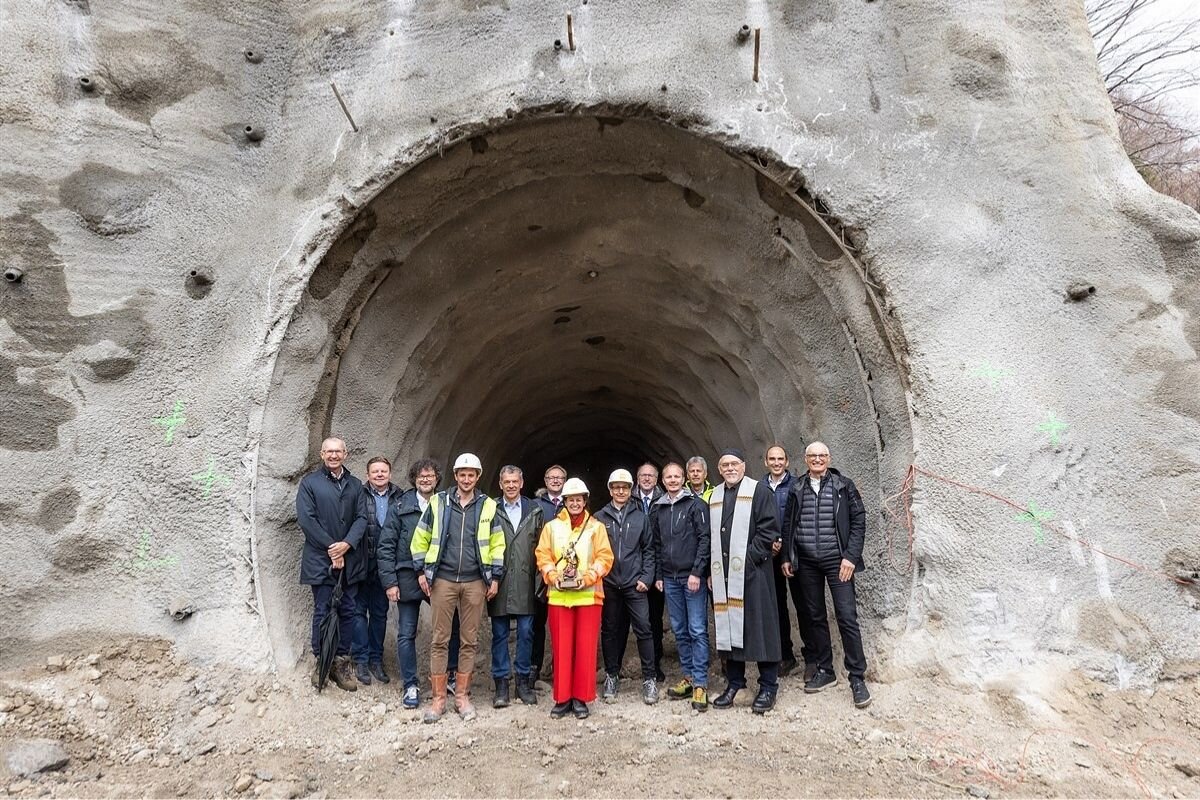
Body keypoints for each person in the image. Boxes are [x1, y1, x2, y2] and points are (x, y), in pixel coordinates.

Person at [410, 453, 506, 722]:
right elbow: (421, 536)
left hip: (476, 581)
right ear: (455, 476)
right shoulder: (438, 502)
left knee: (469, 640)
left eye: (471, 475)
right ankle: (439, 699)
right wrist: (421, 571)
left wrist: (495, 576)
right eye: (462, 474)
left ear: (478, 476)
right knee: (440, 639)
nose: (466, 479)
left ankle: (462, 696)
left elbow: (497, 543)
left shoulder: (487, 506)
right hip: (443, 579)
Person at [782, 442, 871, 708]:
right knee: (814, 617)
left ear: (829, 458)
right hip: (807, 563)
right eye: (812, 456)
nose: (817, 459)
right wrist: (787, 556)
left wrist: (850, 557)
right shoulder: (797, 488)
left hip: (838, 562)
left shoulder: (844, 486)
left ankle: (857, 677)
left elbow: (859, 520)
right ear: (806, 459)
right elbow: (789, 524)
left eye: (822, 455)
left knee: (846, 617)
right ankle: (825, 670)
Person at [708, 449, 783, 714]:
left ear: (744, 465)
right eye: (725, 465)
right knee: (730, 627)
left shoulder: (759, 491)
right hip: (724, 575)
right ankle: (735, 683)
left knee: (761, 627)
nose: (730, 468)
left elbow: (769, 528)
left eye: (734, 464)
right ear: (719, 469)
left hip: (755, 573)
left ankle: (768, 686)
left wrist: (749, 559)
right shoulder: (715, 496)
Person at [535, 477, 614, 720]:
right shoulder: (551, 527)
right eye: (571, 499)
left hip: (589, 597)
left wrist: (589, 577)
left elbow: (605, 558)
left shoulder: (596, 527)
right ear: (565, 501)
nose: (575, 503)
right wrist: (552, 575)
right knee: (562, 648)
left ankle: (581, 697)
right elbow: (543, 555)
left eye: (579, 499)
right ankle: (562, 698)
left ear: (585, 500)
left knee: (585, 648)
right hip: (559, 597)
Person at [296, 437, 367, 692]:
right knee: (322, 610)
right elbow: (307, 519)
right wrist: (332, 547)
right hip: (320, 559)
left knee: (348, 609)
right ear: (322, 454)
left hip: (349, 560)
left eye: (338, 451)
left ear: (346, 454)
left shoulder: (355, 485)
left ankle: (340, 662)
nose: (334, 455)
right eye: (329, 451)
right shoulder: (310, 484)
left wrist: (346, 545)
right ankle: (321, 662)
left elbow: (361, 518)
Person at [378, 457, 440, 709]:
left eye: (430, 475)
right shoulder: (400, 505)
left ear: (437, 479)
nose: (425, 479)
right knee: (406, 632)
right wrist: (390, 582)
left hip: (439, 575)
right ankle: (410, 684)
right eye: (420, 476)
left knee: (449, 628)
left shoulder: (445, 504)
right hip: (406, 575)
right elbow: (386, 545)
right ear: (414, 479)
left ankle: (446, 679)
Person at [651, 463, 711, 711]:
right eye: (669, 477)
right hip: (670, 578)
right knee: (679, 628)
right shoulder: (658, 507)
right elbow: (655, 544)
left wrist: (698, 571)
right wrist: (658, 574)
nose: (673, 480)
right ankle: (687, 677)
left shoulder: (696, 505)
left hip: (691, 577)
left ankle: (700, 683)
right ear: (663, 481)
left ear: (683, 479)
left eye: (677, 476)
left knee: (697, 629)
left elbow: (705, 539)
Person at [596, 469, 658, 705]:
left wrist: (646, 577)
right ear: (610, 489)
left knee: (644, 629)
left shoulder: (641, 517)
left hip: (635, 584)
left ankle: (649, 679)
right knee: (610, 631)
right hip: (609, 583)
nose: (620, 491)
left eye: (625, 487)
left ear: (631, 490)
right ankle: (612, 675)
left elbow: (649, 550)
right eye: (616, 487)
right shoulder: (599, 517)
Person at [487, 466, 544, 708]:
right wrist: (488, 576)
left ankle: (522, 682)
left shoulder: (535, 510)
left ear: (522, 483)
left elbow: (543, 547)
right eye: (506, 482)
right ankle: (501, 684)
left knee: (526, 633)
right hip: (499, 580)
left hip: (526, 580)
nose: (511, 485)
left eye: (515, 481)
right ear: (500, 484)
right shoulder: (491, 509)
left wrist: (541, 581)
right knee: (499, 634)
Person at [763, 444, 815, 680]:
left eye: (780, 459)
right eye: (772, 459)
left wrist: (787, 543)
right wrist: (768, 543)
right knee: (777, 608)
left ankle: (812, 657)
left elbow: (804, 518)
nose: (776, 462)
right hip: (770, 555)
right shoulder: (759, 488)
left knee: (804, 605)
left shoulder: (797, 485)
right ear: (766, 462)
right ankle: (785, 655)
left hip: (795, 553)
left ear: (787, 461)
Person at [353, 456, 401, 686]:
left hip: (386, 565)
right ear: (368, 475)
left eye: (383, 471)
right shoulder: (358, 495)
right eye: (375, 471)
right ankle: (360, 660)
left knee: (380, 613)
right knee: (358, 612)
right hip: (363, 561)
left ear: (390, 474)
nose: (380, 475)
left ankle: (376, 659)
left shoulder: (399, 497)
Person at [531, 464, 568, 684]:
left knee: (562, 623)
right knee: (537, 622)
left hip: (566, 575)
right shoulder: (535, 505)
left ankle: (560, 665)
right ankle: (535, 666)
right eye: (551, 477)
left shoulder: (573, 502)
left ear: (565, 480)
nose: (555, 481)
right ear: (545, 481)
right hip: (540, 572)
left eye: (559, 477)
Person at [635, 462, 667, 682]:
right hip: (632, 568)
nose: (646, 479)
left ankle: (655, 664)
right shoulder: (628, 498)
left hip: (657, 567)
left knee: (654, 618)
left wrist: (659, 573)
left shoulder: (665, 500)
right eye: (643, 475)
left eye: (651, 476)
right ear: (638, 478)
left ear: (657, 479)